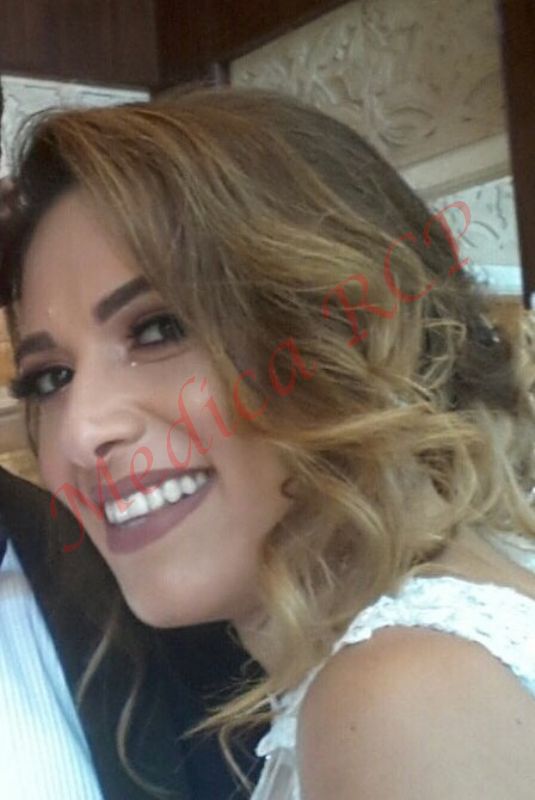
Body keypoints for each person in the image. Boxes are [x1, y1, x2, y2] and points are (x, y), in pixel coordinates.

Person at [2, 86, 535, 799]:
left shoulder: (402, 698)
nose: (80, 430)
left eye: (159, 329)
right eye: (49, 378)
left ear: (348, 333)